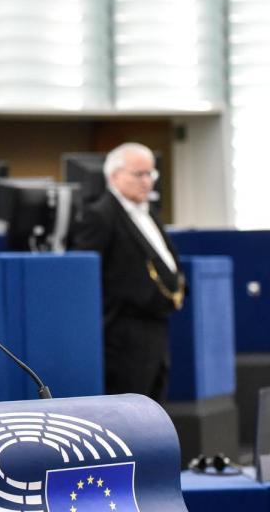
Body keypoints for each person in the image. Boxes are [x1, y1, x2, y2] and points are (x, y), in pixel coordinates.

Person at [70, 142, 184, 402]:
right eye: (139, 174)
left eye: (151, 174)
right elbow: (86, 276)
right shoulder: (100, 215)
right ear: (114, 176)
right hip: (123, 334)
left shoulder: (148, 211)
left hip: (155, 325)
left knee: (155, 404)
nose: (147, 181)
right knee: (133, 408)